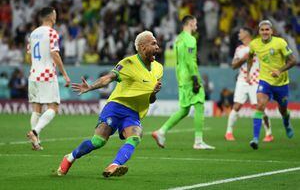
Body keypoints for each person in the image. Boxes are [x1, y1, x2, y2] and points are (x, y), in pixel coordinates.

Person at [57, 31, 163, 177]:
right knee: (98, 141)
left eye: (156, 43)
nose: (157, 47)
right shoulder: (128, 63)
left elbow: (151, 100)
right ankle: (70, 158)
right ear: (142, 47)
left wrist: (153, 93)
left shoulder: (158, 69)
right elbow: (108, 78)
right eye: (153, 43)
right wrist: (90, 87)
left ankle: (114, 165)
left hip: (133, 113)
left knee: (135, 137)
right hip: (116, 106)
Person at [152, 15, 215, 150]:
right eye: (195, 23)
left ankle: (161, 131)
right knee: (199, 104)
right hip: (190, 77)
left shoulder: (178, 39)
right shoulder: (190, 39)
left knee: (185, 110)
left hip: (180, 77)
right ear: (190, 23)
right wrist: (195, 79)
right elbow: (190, 60)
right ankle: (198, 141)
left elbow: (179, 61)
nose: (196, 26)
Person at [247, 20, 297, 150]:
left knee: (283, 110)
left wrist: (280, 71)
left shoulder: (280, 42)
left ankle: (286, 123)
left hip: (281, 83)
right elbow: (250, 57)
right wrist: (248, 72)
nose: (264, 32)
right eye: (262, 30)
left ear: (271, 31)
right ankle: (255, 139)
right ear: (259, 31)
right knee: (260, 105)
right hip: (265, 81)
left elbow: (293, 61)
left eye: (267, 30)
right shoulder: (254, 44)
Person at [26, 7, 70, 150]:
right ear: (52, 17)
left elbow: (28, 55)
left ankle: (36, 143)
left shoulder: (33, 33)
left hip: (33, 74)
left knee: (36, 107)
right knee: (54, 107)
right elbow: (54, 54)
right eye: (55, 15)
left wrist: (35, 67)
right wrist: (64, 74)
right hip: (47, 74)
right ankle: (35, 132)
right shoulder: (51, 32)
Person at [224, 27, 273, 142]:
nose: (238, 34)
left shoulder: (257, 45)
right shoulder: (239, 49)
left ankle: (269, 133)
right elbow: (233, 66)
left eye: (240, 32)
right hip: (242, 80)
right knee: (236, 106)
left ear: (247, 34)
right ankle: (228, 132)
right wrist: (243, 59)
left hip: (256, 80)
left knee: (259, 107)